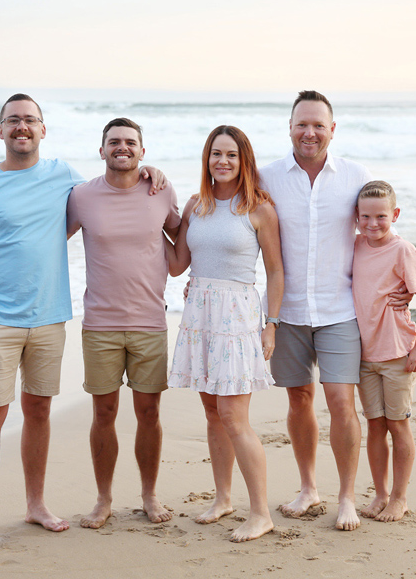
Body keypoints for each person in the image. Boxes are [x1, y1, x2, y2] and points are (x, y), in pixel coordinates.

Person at [0, 95, 165, 552]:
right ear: (0, 130)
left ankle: (36, 505)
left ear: (43, 130)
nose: (22, 127)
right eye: (13, 120)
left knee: (39, 412)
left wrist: (150, 172)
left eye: (30, 120)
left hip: (49, 319)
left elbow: (111, 189)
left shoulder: (65, 178)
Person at [258, 90, 412, 531]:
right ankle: (308, 488)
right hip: (286, 310)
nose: (309, 133)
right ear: (289, 127)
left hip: (340, 310)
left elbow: (379, 228)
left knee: (342, 401)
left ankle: (347, 497)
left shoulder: (356, 175)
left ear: (332, 129)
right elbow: (228, 212)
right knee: (298, 399)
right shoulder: (267, 177)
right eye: (302, 124)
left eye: (318, 125)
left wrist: (402, 284)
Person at [165, 125, 284, 543]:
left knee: (234, 417)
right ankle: (222, 499)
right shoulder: (196, 205)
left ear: (243, 160)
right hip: (200, 312)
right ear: (207, 158)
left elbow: (276, 272)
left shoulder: (258, 209)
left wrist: (271, 325)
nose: (223, 161)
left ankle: (261, 513)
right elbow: (177, 265)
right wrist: (146, 215)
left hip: (237, 316)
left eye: (232, 154)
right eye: (216, 153)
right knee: (213, 413)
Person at [66, 118, 180, 529]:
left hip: (150, 321)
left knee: (149, 412)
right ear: (101, 151)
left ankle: (149, 495)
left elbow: (183, 242)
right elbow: (47, 242)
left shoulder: (160, 190)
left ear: (142, 151)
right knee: (104, 413)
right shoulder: (81, 196)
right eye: (114, 141)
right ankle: (103, 499)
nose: (123, 147)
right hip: (100, 324)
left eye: (131, 142)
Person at [352, 180, 416, 523]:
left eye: (381, 216)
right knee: (374, 425)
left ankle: (400, 497)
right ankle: (381, 494)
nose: (373, 223)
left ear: (395, 214)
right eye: (366, 217)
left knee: (398, 425)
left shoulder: (403, 250)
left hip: (398, 352)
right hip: (363, 355)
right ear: (356, 217)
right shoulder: (355, 245)